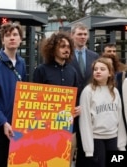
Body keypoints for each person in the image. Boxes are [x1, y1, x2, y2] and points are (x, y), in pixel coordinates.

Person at [33, 31, 80, 166]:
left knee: (66, 162)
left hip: (69, 128)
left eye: (68, 46)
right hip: (47, 129)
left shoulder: (72, 71)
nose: (66, 49)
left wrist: (78, 108)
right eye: (62, 46)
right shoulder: (41, 70)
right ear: (53, 49)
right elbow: (35, 100)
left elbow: (76, 97)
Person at [0, 21, 26, 167]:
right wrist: (3, 122)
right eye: (7, 35)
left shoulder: (21, 63)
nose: (12, 38)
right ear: (2, 40)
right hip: (0, 128)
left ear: (21, 39)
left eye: (15, 35)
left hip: (18, 126)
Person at [79, 57, 127, 167]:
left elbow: (119, 119)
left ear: (110, 73)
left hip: (113, 139)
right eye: (95, 69)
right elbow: (85, 121)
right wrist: (89, 149)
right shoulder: (88, 91)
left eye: (102, 69)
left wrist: (122, 145)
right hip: (96, 140)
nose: (98, 71)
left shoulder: (114, 90)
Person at [69, 22, 99, 166]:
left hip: (90, 108)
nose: (82, 37)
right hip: (71, 109)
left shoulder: (94, 56)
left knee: (88, 146)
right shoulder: (66, 55)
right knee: (69, 147)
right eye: (79, 34)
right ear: (72, 36)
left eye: (85, 34)